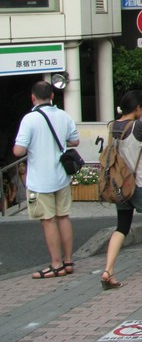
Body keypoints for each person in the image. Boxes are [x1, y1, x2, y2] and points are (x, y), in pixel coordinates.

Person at [99, 91, 142, 289]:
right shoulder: (138, 126)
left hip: (120, 184)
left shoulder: (113, 126)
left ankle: (108, 270)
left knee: (122, 226)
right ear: (138, 108)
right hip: (140, 182)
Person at [13, 81, 80, 279]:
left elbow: (19, 151)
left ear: (33, 98)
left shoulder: (29, 119)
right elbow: (75, 140)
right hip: (61, 177)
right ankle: (68, 261)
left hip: (40, 181)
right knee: (64, 218)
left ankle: (56, 265)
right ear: (52, 96)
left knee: (48, 221)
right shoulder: (64, 116)